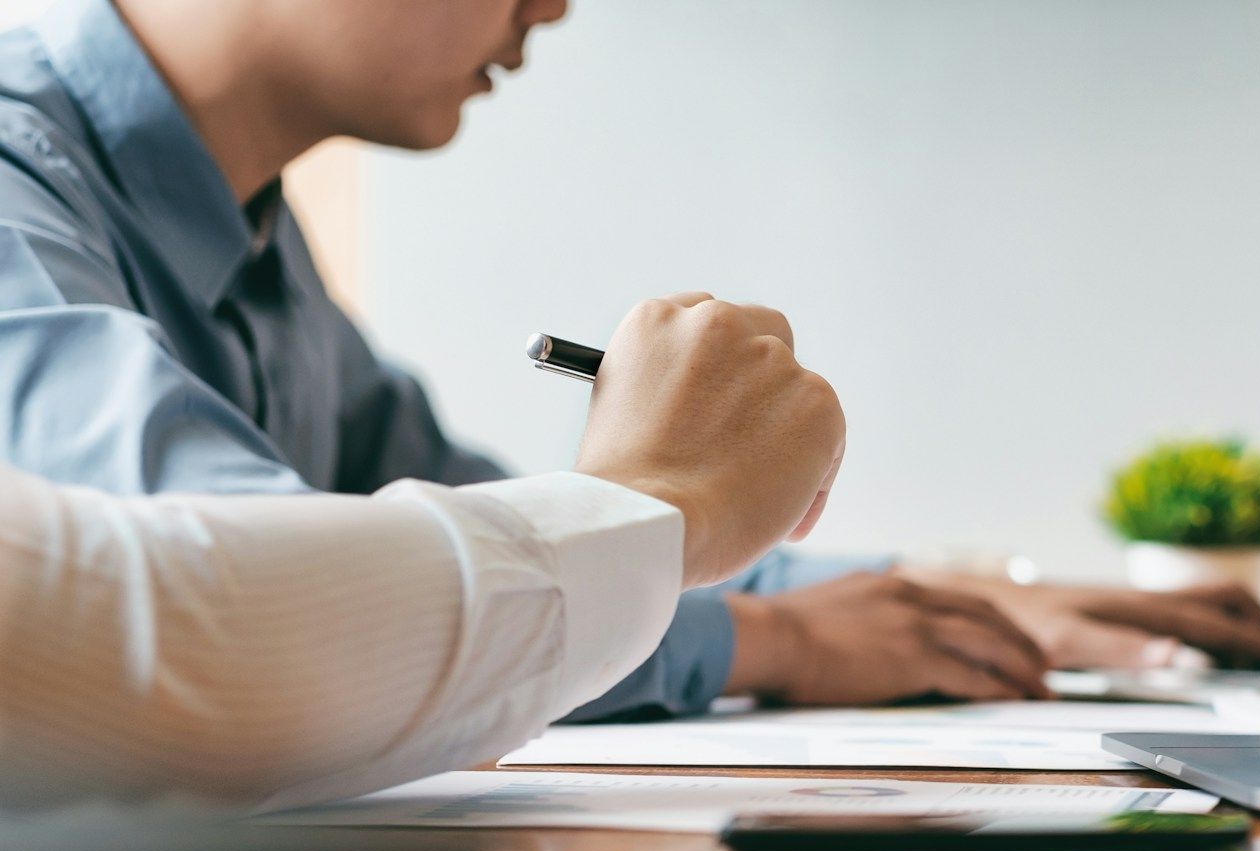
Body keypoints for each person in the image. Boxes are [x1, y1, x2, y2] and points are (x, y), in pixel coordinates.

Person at [0, 0, 1260, 721]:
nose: (561, 5)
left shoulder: (257, 252)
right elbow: (255, 617)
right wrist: (762, 627)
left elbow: (453, 530)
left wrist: (946, 597)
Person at [0, 293, 852, 809]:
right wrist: (666, 508)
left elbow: (453, 501)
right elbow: (238, 634)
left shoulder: (263, 249)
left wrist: (904, 592)